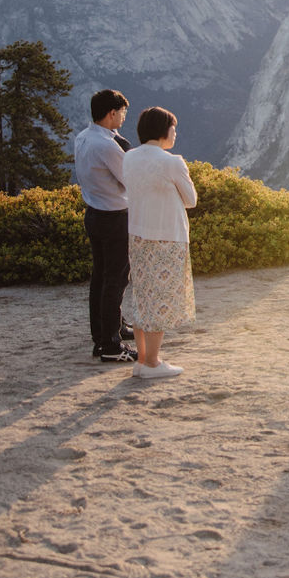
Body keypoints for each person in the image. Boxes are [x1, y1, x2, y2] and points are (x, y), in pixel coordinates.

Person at [121, 107, 197, 381]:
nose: (175, 133)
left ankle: (142, 360)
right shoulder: (173, 161)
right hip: (167, 236)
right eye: (173, 128)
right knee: (161, 299)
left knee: (143, 296)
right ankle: (153, 363)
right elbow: (191, 200)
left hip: (138, 234)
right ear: (163, 130)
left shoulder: (129, 158)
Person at [74, 88, 137, 363]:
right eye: (122, 112)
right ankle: (111, 345)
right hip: (114, 217)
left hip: (94, 214)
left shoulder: (84, 137)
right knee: (116, 279)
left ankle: (104, 333)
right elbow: (130, 177)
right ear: (112, 113)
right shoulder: (107, 146)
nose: (124, 117)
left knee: (100, 276)